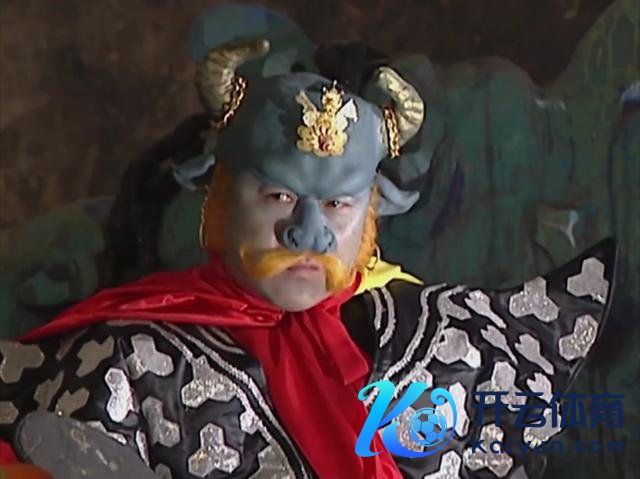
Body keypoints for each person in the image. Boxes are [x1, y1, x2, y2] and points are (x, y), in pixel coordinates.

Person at [0, 34, 616, 479]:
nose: (308, 233)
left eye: (338, 206)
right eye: (280, 197)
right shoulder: (131, 360)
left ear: (370, 214)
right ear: (222, 200)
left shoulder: (450, 343)